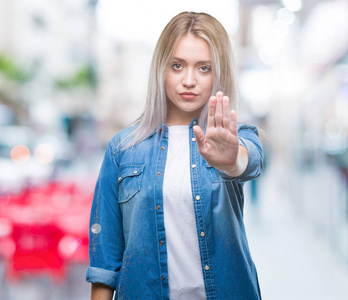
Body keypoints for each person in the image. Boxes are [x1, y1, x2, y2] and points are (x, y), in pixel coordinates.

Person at [86, 11, 263, 300]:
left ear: (220, 73)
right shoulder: (123, 148)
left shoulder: (235, 138)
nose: (189, 80)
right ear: (161, 69)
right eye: (177, 65)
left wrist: (231, 160)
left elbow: (248, 161)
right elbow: (105, 259)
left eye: (204, 68)